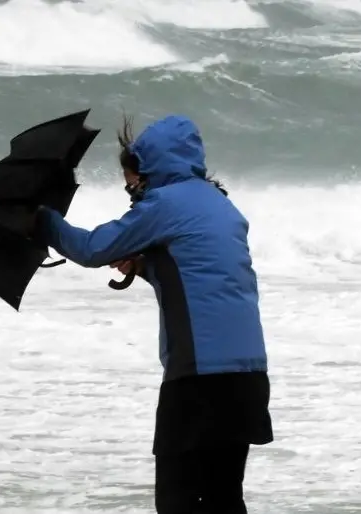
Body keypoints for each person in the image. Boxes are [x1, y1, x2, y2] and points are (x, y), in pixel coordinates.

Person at [33, 113, 273, 513]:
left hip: (200, 378)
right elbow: (201, 276)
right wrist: (146, 267)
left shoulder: (164, 203)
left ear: (148, 173)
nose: (133, 198)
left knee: (176, 503)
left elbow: (92, 249)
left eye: (132, 188)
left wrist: (43, 220)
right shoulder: (220, 204)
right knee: (223, 499)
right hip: (248, 376)